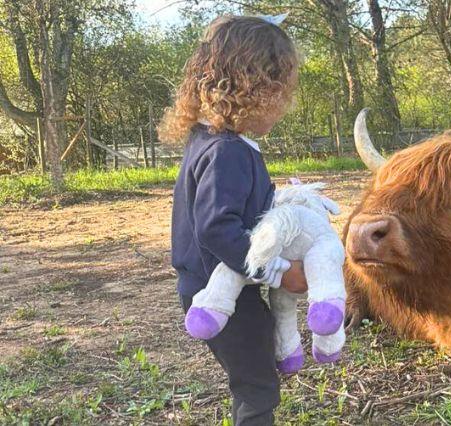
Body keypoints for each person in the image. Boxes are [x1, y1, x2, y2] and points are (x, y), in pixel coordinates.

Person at [159, 14, 304, 425]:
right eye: (282, 92)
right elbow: (217, 228)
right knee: (257, 385)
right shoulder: (228, 152)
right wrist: (279, 272)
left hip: (220, 285)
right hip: (219, 292)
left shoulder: (213, 141)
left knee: (254, 376)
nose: (285, 106)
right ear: (255, 90)